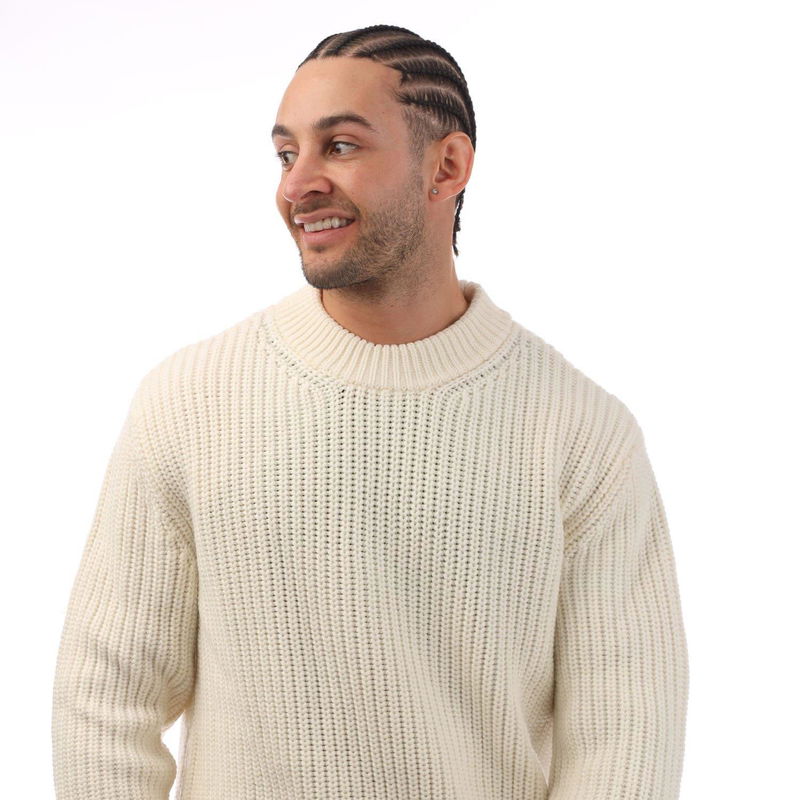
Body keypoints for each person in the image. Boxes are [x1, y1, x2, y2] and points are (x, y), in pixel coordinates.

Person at [51, 23, 689, 800]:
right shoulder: (189, 402)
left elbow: (625, 740)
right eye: (286, 154)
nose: (297, 185)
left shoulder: (582, 436)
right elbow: (105, 701)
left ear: (447, 166)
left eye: (341, 146)